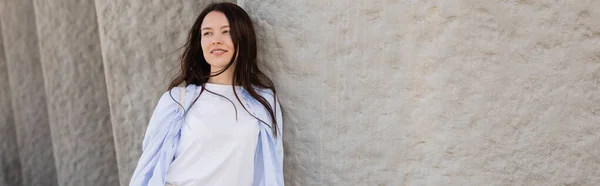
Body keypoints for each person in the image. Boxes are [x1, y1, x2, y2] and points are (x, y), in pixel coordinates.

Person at [129, 2, 284, 186]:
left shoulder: (263, 103)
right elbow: (148, 168)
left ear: (243, 37)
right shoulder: (178, 101)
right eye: (207, 33)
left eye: (226, 31)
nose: (215, 40)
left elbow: (272, 170)